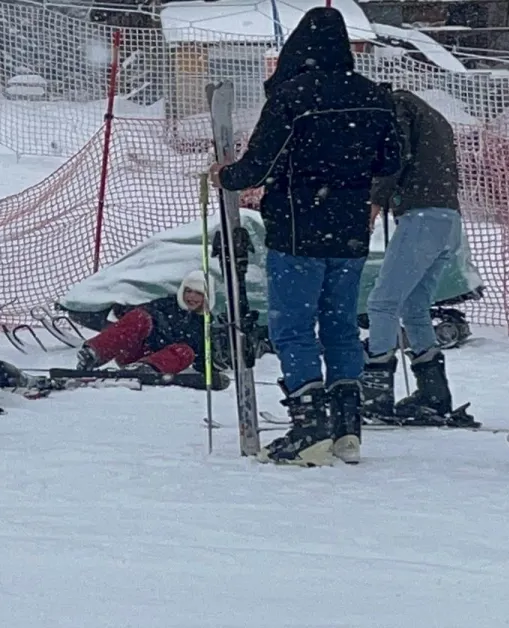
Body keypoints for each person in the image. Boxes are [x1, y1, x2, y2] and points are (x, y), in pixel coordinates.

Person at [209, 7, 401, 466]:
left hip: (297, 227)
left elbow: (258, 165)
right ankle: (347, 428)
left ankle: (309, 423)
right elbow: (391, 161)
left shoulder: (292, 96)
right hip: (350, 231)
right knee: (340, 324)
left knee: (293, 326)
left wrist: (226, 176)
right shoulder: (374, 96)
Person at [363, 88, 472, 427]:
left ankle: (376, 394)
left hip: (421, 216)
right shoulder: (432, 117)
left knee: (382, 303)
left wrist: (376, 200)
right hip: (447, 218)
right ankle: (434, 393)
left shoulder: (397, 109)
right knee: (414, 306)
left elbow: (394, 156)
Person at [76, 270, 213, 377]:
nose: (192, 297)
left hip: (159, 364)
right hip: (135, 351)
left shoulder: (206, 325)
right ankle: (93, 354)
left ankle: (145, 368)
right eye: (188, 291)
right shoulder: (168, 305)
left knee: (186, 351)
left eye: (198, 293)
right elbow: (145, 311)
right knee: (141, 316)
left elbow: (204, 361)